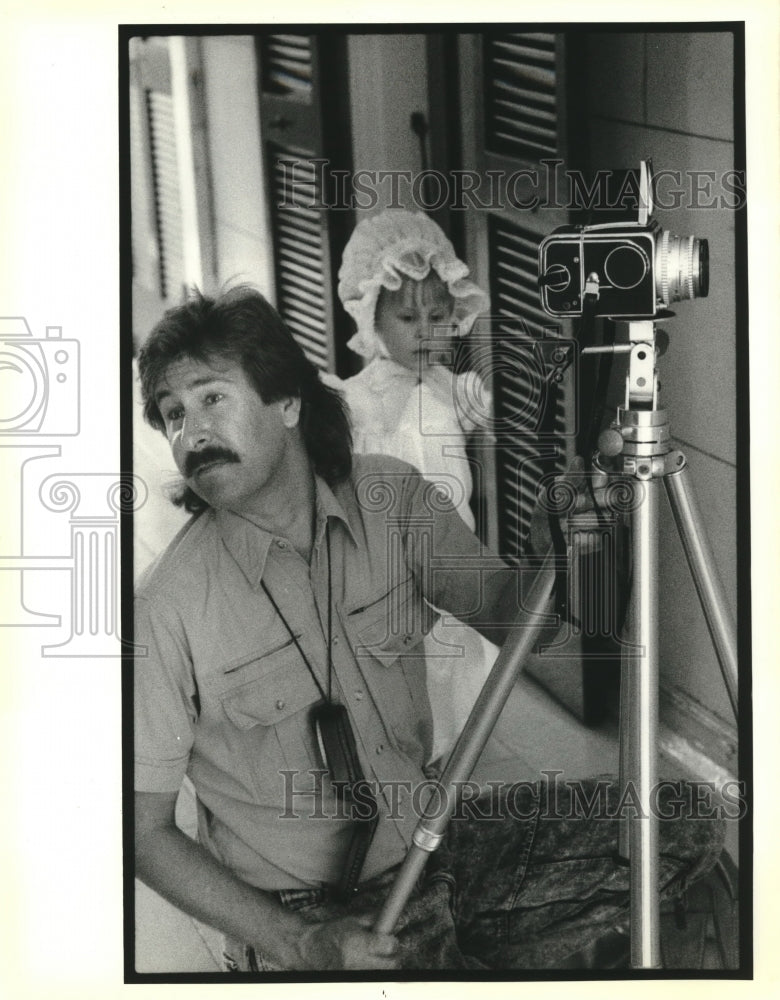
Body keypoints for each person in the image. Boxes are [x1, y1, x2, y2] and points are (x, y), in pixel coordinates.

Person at [134, 285, 727, 972]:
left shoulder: (395, 501)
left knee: (679, 816)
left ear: (287, 402)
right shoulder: (166, 607)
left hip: (438, 842)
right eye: (173, 415)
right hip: (313, 915)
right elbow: (144, 833)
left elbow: (529, 634)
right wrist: (297, 942)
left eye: (211, 398)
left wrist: (555, 553)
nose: (191, 434)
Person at [330, 209, 501, 762]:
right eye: (407, 318)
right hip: (394, 570)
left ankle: (452, 774)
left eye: (440, 315)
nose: (428, 332)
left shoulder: (455, 391)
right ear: (371, 321)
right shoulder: (360, 401)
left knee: (456, 674)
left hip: (452, 559)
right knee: (408, 684)